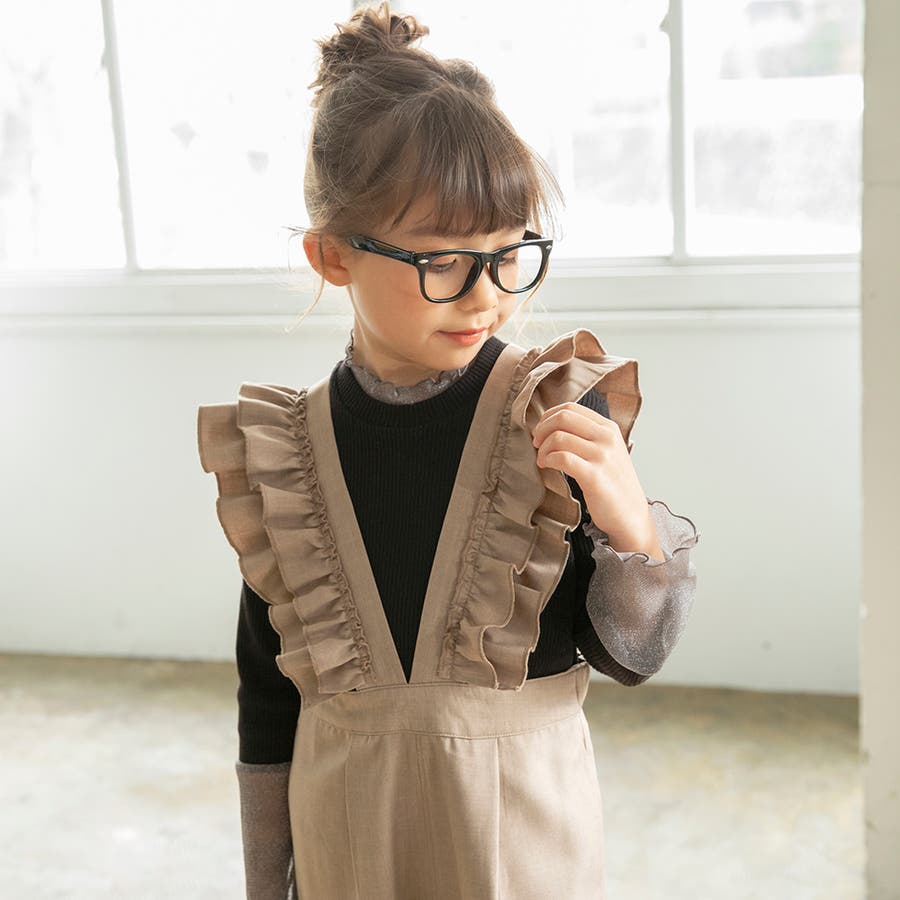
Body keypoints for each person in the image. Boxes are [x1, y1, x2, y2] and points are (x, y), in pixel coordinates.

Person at [196, 3, 700, 898]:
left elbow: (632, 656)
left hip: (523, 845)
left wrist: (634, 531)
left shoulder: (556, 415)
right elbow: (267, 704)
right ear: (332, 257)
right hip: (348, 844)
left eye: (510, 254)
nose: (487, 296)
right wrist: (265, 882)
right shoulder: (284, 456)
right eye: (443, 261)